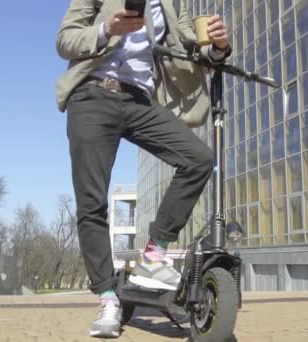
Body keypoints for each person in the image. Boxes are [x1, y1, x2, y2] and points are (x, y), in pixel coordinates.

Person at [55, 0, 231, 338]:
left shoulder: (172, 3)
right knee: (92, 203)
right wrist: (108, 29)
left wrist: (219, 47)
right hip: (92, 94)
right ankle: (108, 298)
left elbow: (189, 51)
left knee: (198, 159)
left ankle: (154, 255)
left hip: (140, 101)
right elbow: (65, 40)